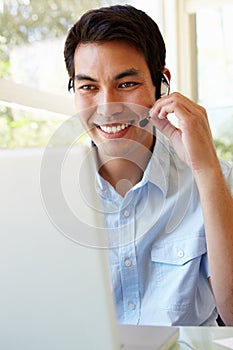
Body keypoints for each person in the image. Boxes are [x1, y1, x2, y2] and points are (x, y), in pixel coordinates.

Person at [63, 4, 233, 326]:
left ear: (161, 84)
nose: (107, 107)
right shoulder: (38, 196)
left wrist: (206, 171)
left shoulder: (216, 179)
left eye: (126, 84)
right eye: (88, 87)